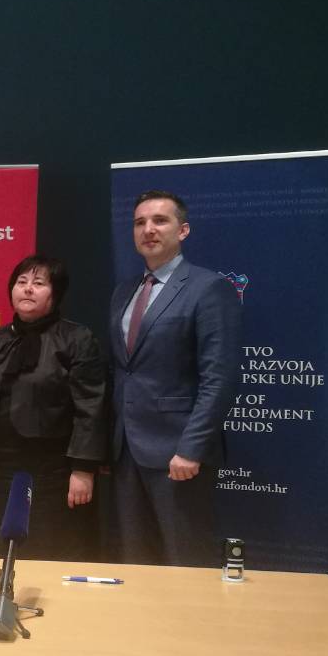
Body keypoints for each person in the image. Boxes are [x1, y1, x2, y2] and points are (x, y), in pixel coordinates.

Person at [109, 190, 241, 567]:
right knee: (136, 561)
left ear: (183, 230)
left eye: (160, 221)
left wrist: (192, 448)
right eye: (139, 222)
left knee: (185, 561)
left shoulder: (209, 288)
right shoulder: (124, 292)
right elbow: (124, 371)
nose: (148, 229)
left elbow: (219, 377)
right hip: (126, 452)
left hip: (178, 453)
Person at [0, 255, 106, 560]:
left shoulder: (77, 339)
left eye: (38, 283)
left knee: (46, 550)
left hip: (51, 469)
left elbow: (91, 406)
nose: (27, 289)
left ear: (56, 293)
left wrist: (83, 468)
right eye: (21, 282)